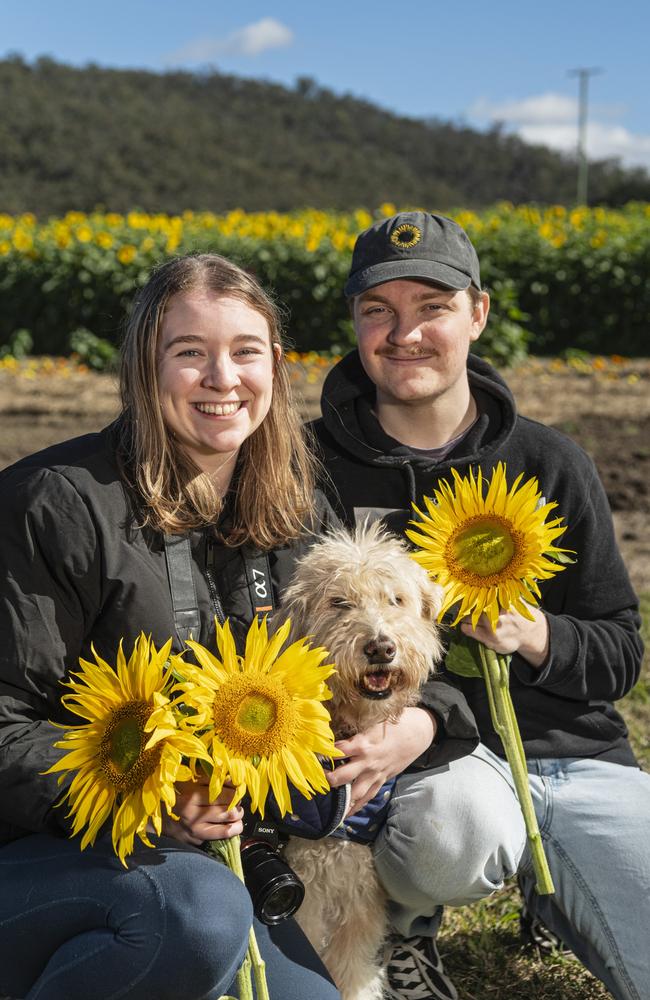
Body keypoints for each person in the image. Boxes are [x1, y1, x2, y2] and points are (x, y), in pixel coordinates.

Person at [312, 212, 648, 1000]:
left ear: (477, 313)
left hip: (577, 756)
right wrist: (429, 713)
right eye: (378, 312)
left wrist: (539, 636)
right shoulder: (309, 470)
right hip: (446, 762)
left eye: (431, 306)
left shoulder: (551, 462)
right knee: (449, 833)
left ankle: (556, 888)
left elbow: (621, 653)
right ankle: (411, 926)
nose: (406, 334)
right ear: (356, 326)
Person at [0, 254, 344, 1000]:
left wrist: (410, 725)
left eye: (246, 352)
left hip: (209, 860)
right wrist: (152, 793)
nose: (223, 379)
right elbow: (3, 722)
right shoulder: (55, 505)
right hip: (44, 852)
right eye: (190, 353)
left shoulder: (297, 510)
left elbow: (346, 666)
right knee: (194, 920)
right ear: (143, 369)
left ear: (276, 368)